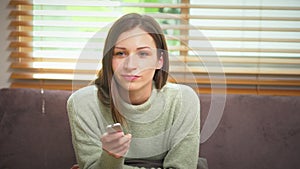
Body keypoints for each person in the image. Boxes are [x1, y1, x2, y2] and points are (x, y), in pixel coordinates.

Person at [67, 13, 200, 169]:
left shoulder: (183, 100)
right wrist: (111, 157)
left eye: (143, 54)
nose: (130, 65)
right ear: (109, 59)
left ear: (160, 60)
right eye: (120, 53)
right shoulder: (82, 103)